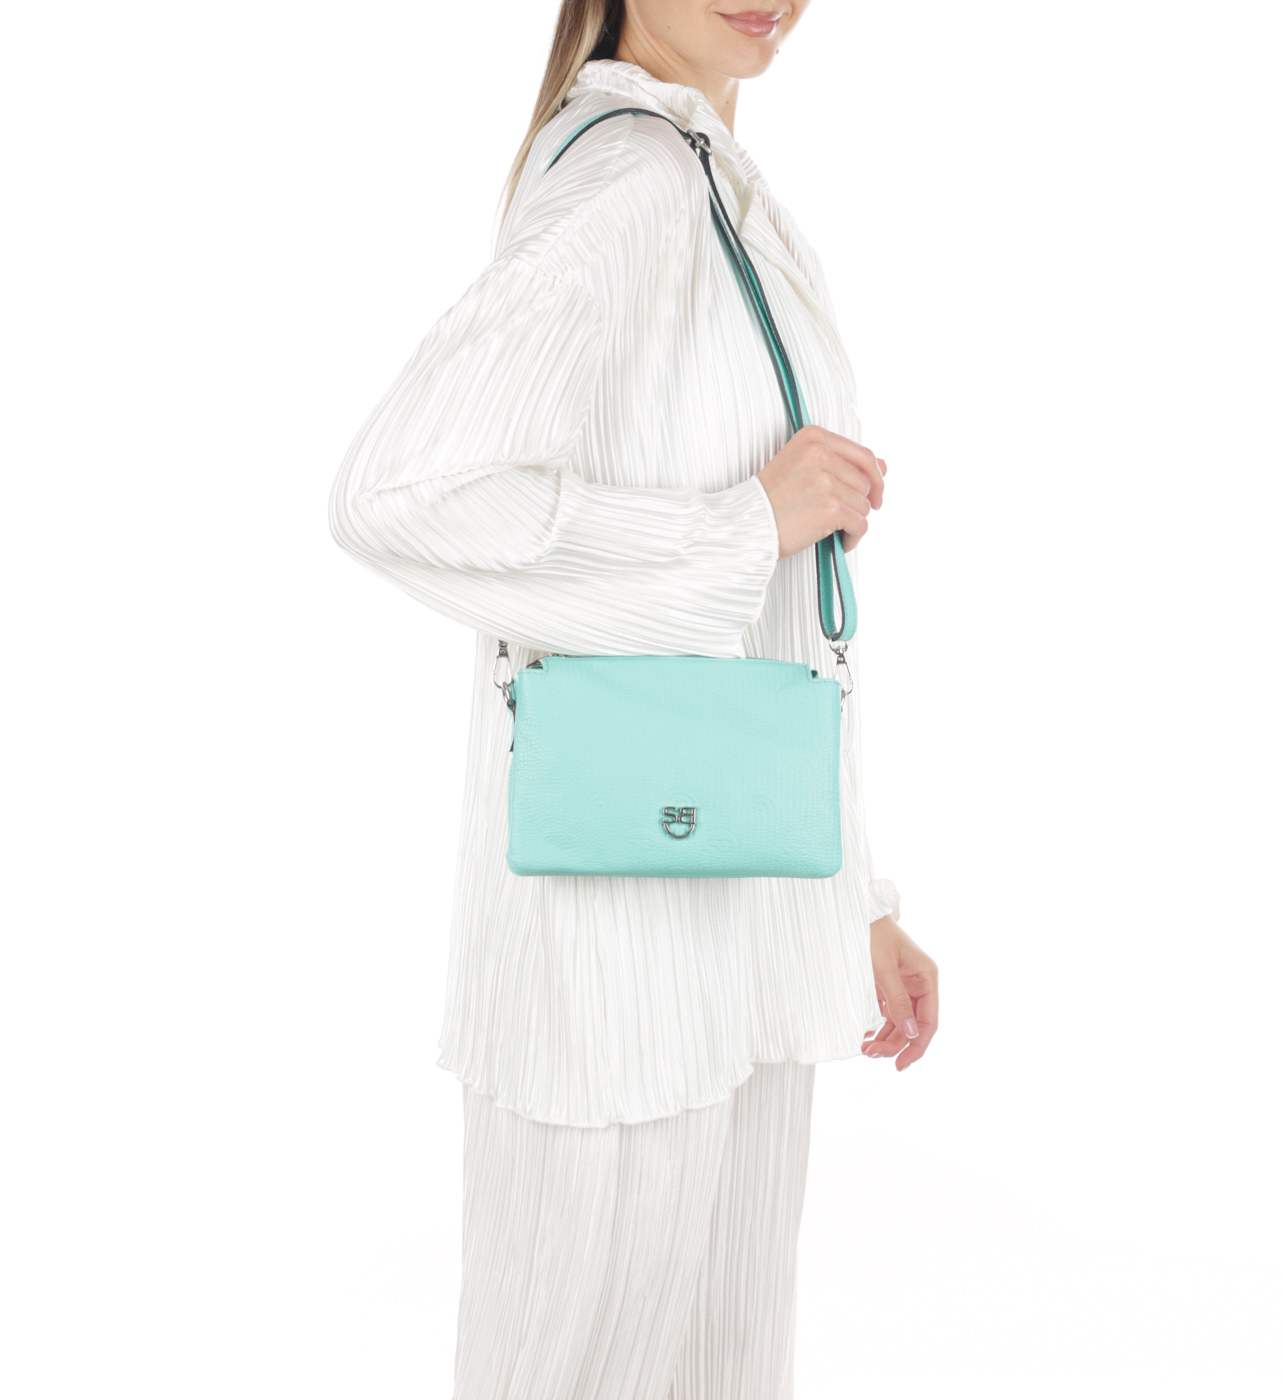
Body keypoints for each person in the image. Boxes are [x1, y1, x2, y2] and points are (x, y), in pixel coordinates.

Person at [328, 1, 939, 1395]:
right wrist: (743, 526)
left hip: (732, 917)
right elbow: (398, 493)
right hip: (613, 957)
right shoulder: (629, 181)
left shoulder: (714, 180)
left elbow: (792, 618)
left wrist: (857, 895)